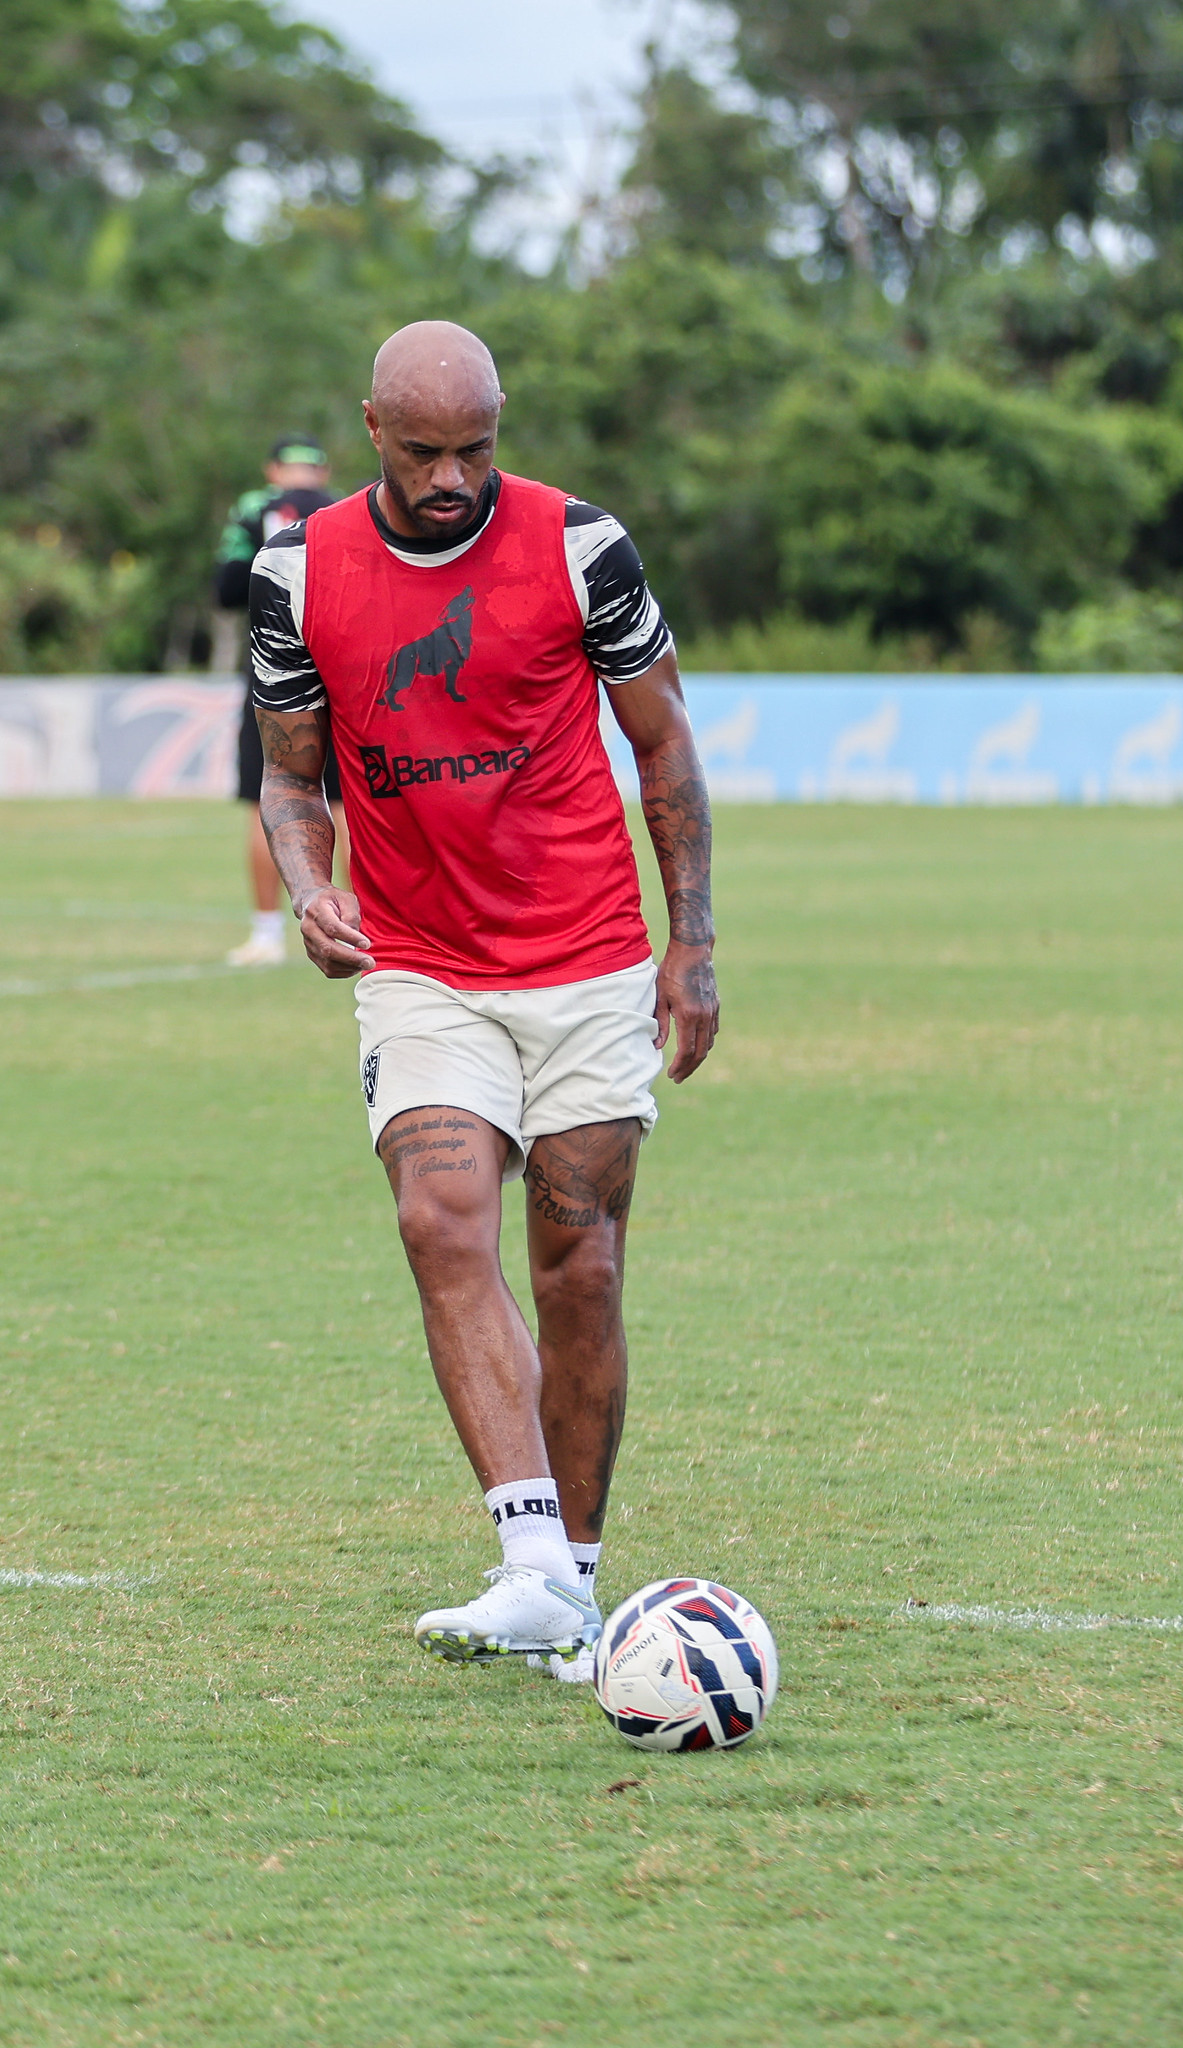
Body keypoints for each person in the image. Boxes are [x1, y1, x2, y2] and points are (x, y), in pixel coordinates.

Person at [248, 321, 719, 1680]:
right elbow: (291, 777)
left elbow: (662, 741)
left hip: (588, 955)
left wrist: (691, 942)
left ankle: (577, 1582)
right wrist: (310, 885)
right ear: (373, 430)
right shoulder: (298, 571)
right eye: (424, 451)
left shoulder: (581, 546)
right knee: (437, 1217)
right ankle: (530, 1562)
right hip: (419, 963)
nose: (452, 477)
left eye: (476, 449)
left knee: (582, 1266)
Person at [215, 437, 342, 966]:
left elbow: (226, 588)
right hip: (341, 668)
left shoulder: (253, 510)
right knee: (351, 803)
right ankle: (374, 928)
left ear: (273, 470)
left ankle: (267, 934)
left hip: (274, 671)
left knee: (268, 793)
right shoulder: (345, 508)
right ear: (322, 471)